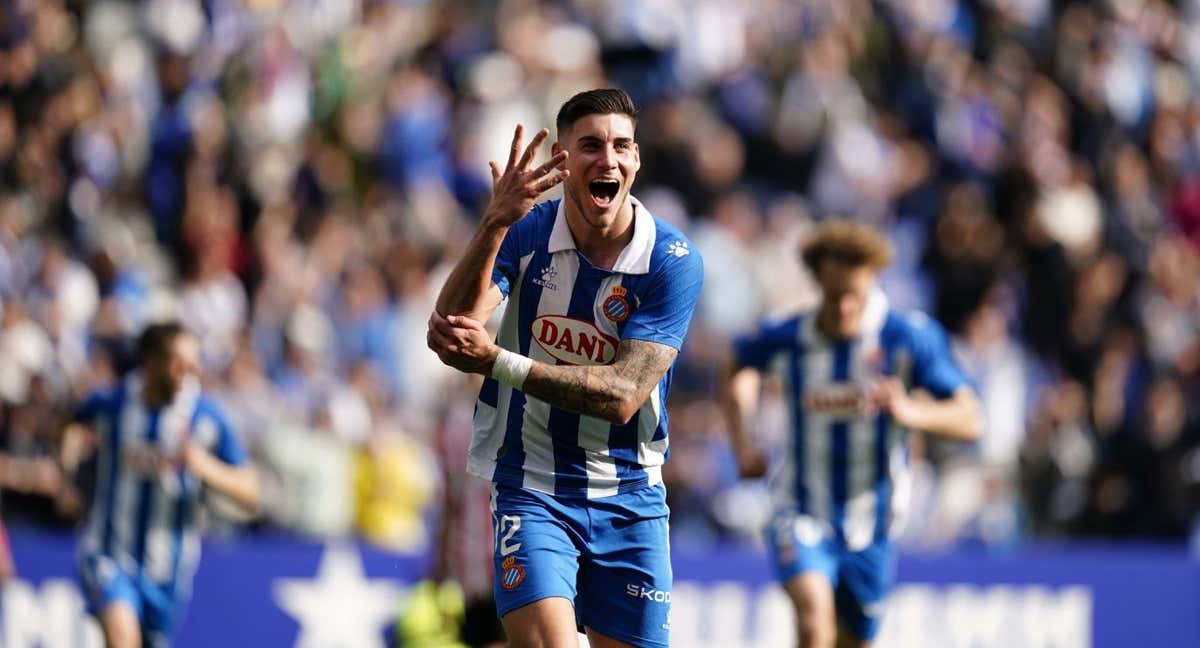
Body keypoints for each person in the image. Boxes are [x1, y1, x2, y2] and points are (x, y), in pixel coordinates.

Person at [426, 88, 704, 648]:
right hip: (532, 485)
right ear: (563, 157)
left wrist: (499, 362)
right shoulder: (527, 231)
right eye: (592, 146)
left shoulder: (670, 262)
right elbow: (452, 328)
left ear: (638, 159)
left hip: (631, 495)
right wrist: (493, 224)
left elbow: (623, 396)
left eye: (622, 146)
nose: (609, 159)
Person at [720, 220, 982, 648]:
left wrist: (910, 411)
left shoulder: (905, 337)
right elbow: (736, 367)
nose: (844, 308)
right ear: (818, 280)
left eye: (855, 296)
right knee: (813, 621)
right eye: (835, 295)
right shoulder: (788, 336)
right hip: (800, 507)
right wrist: (743, 442)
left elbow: (971, 418)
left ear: (873, 282)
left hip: (872, 525)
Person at [73, 322, 261, 648]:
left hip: (166, 573)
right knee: (122, 638)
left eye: (193, 363)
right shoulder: (115, 404)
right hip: (109, 554)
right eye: (179, 362)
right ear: (150, 362)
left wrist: (205, 466)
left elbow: (251, 491)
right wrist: (70, 459)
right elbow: (72, 423)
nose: (188, 372)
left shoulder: (204, 417)